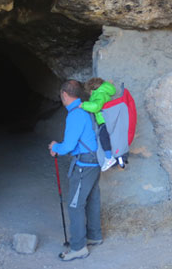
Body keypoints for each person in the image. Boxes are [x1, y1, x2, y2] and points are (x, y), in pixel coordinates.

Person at [48, 80, 103, 262]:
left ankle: (78, 247)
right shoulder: (87, 108)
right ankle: (94, 236)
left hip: (84, 165)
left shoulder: (75, 114)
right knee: (92, 199)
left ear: (64, 94)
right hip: (95, 161)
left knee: (75, 204)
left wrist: (56, 146)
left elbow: (69, 145)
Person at [81, 78, 117, 171]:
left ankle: (109, 158)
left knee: (103, 138)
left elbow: (96, 106)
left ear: (92, 90)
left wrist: (83, 105)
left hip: (105, 121)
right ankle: (112, 156)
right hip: (108, 120)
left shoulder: (99, 94)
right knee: (107, 139)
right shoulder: (103, 92)